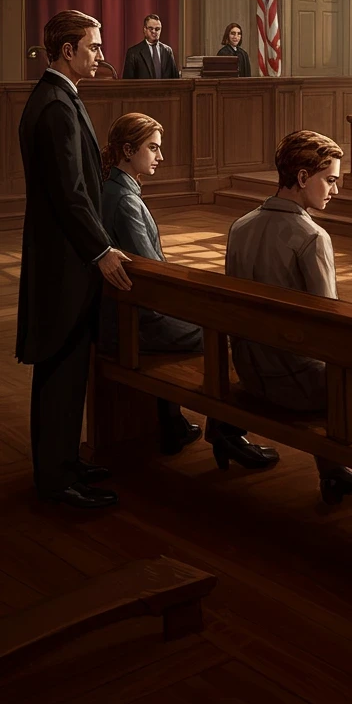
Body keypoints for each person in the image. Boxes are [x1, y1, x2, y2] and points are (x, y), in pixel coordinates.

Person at [226, 130, 352, 536]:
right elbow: (329, 328)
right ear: (302, 178)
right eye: (331, 179)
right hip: (299, 387)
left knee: (321, 361)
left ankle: (337, 472)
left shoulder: (240, 226)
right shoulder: (312, 237)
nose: (337, 188)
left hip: (251, 373)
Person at [100, 113, 278, 470]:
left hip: (123, 314)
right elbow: (152, 276)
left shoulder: (113, 189)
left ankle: (173, 424)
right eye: (152, 148)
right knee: (232, 333)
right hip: (137, 322)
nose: (160, 157)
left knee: (212, 320)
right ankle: (227, 432)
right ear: (127, 150)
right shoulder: (125, 201)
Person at [17, 10, 132, 509]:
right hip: (66, 262)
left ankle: (63, 462)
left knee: (63, 369)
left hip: (61, 257)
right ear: (69, 51)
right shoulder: (57, 105)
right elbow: (72, 195)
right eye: (95, 47)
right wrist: (102, 250)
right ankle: (57, 482)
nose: (102, 56)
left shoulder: (56, 97)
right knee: (61, 369)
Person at [122, 14, 179, 79]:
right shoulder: (133, 53)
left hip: (164, 89)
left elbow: (175, 78)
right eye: (151, 28)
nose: (154, 31)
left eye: (157, 29)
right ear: (144, 29)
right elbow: (128, 82)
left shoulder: (167, 51)